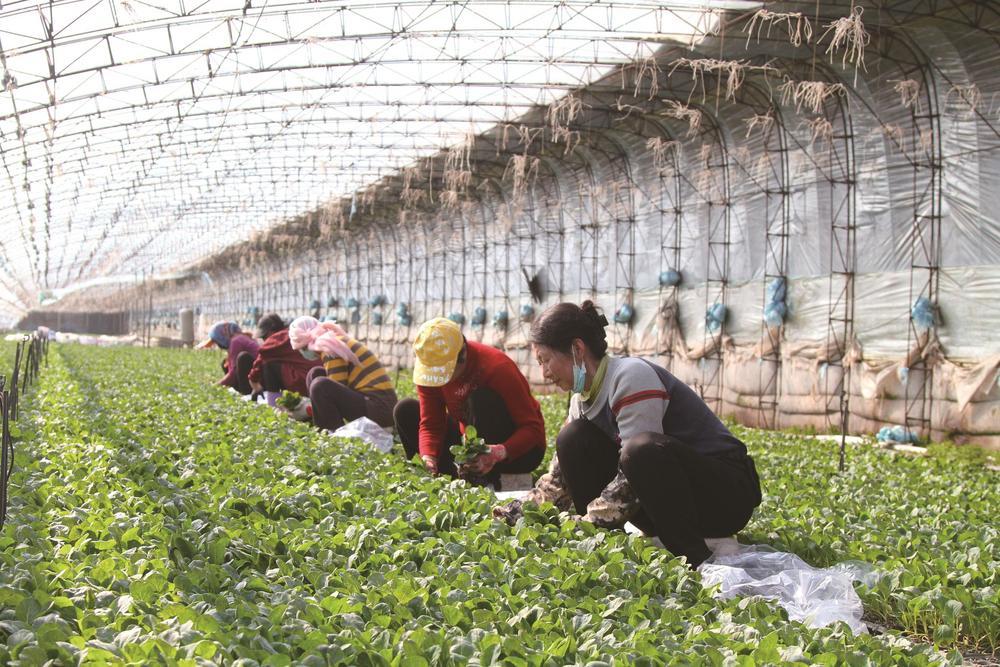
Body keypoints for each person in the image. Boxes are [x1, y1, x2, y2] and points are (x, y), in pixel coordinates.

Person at [493, 301, 762, 568]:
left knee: (640, 449)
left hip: (724, 497)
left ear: (577, 349)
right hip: (669, 499)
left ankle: (692, 556)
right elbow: (557, 480)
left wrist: (586, 522)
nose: (544, 373)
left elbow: (637, 471)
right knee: (572, 438)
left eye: (545, 360)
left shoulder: (630, 377)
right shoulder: (580, 400)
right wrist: (519, 512)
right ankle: (605, 547)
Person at [394, 317, 546, 487]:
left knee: (481, 399)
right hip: (469, 441)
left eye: (444, 372)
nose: (439, 379)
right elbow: (431, 425)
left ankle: (484, 478)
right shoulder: (430, 373)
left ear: (463, 355)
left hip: (518, 451)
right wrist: (428, 457)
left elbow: (532, 429)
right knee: (405, 410)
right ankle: (442, 477)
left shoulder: (496, 367)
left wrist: (496, 452)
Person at [288, 316, 398, 431]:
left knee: (320, 386)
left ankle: (331, 433)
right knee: (315, 374)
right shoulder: (335, 341)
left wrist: (309, 408)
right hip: (380, 407)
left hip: (379, 410)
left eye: (303, 349)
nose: (303, 353)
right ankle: (321, 424)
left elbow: (333, 388)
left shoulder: (330, 349)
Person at [247, 313, 323, 405]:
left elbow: (258, 364)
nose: (264, 340)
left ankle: (273, 405)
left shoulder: (276, 340)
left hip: (304, 383)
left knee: (269, 365)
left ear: (271, 332)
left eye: (264, 337)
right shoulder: (295, 333)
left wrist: (254, 383)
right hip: (319, 381)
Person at [199, 321, 259, 395]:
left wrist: (215, 387)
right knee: (226, 363)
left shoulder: (236, 341)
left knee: (242, 358)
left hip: (258, 378)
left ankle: (247, 391)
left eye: (217, 342)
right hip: (257, 375)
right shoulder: (240, 338)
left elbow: (233, 373)